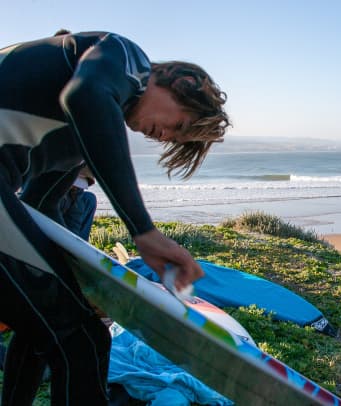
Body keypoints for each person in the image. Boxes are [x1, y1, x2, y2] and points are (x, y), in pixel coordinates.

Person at [0, 31, 230, 404]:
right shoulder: (125, 56)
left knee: (44, 325)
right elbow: (85, 96)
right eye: (180, 126)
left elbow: (41, 207)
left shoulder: (76, 137)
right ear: (180, 81)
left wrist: (92, 284)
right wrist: (143, 231)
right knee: (81, 340)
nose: (165, 137)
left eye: (175, 140)